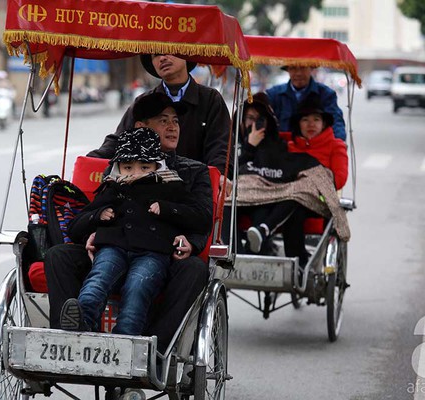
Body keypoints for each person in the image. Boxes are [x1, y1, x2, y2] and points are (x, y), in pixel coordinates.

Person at [44, 92, 213, 350]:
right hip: (112, 247)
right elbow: (89, 215)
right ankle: (69, 339)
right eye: (162, 121)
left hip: (160, 252)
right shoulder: (117, 170)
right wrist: (94, 228)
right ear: (141, 128)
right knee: (59, 255)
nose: (172, 127)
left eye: (175, 121)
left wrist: (189, 241)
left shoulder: (190, 172)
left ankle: (153, 349)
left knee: (192, 270)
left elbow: (200, 216)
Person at [244, 94, 349, 266]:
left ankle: (298, 262)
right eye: (305, 119)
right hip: (283, 197)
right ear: (298, 123)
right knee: (285, 200)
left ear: (323, 123)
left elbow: (339, 179)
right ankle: (259, 248)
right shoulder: (288, 144)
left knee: (295, 201)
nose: (311, 124)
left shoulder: (335, 145)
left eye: (316, 119)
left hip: (319, 200)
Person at [88, 54, 231, 175]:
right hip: (152, 185)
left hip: (197, 187)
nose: (162, 58)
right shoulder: (144, 102)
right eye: (156, 54)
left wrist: (218, 176)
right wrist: (89, 162)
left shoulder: (210, 99)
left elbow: (220, 147)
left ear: (186, 52)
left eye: (169, 51)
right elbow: (120, 140)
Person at [266, 65, 346, 141]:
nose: (298, 73)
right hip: (283, 150)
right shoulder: (274, 95)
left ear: (311, 69)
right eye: (293, 68)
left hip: (315, 150)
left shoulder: (325, 94)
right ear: (288, 70)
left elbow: (336, 121)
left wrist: (338, 143)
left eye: (303, 68)